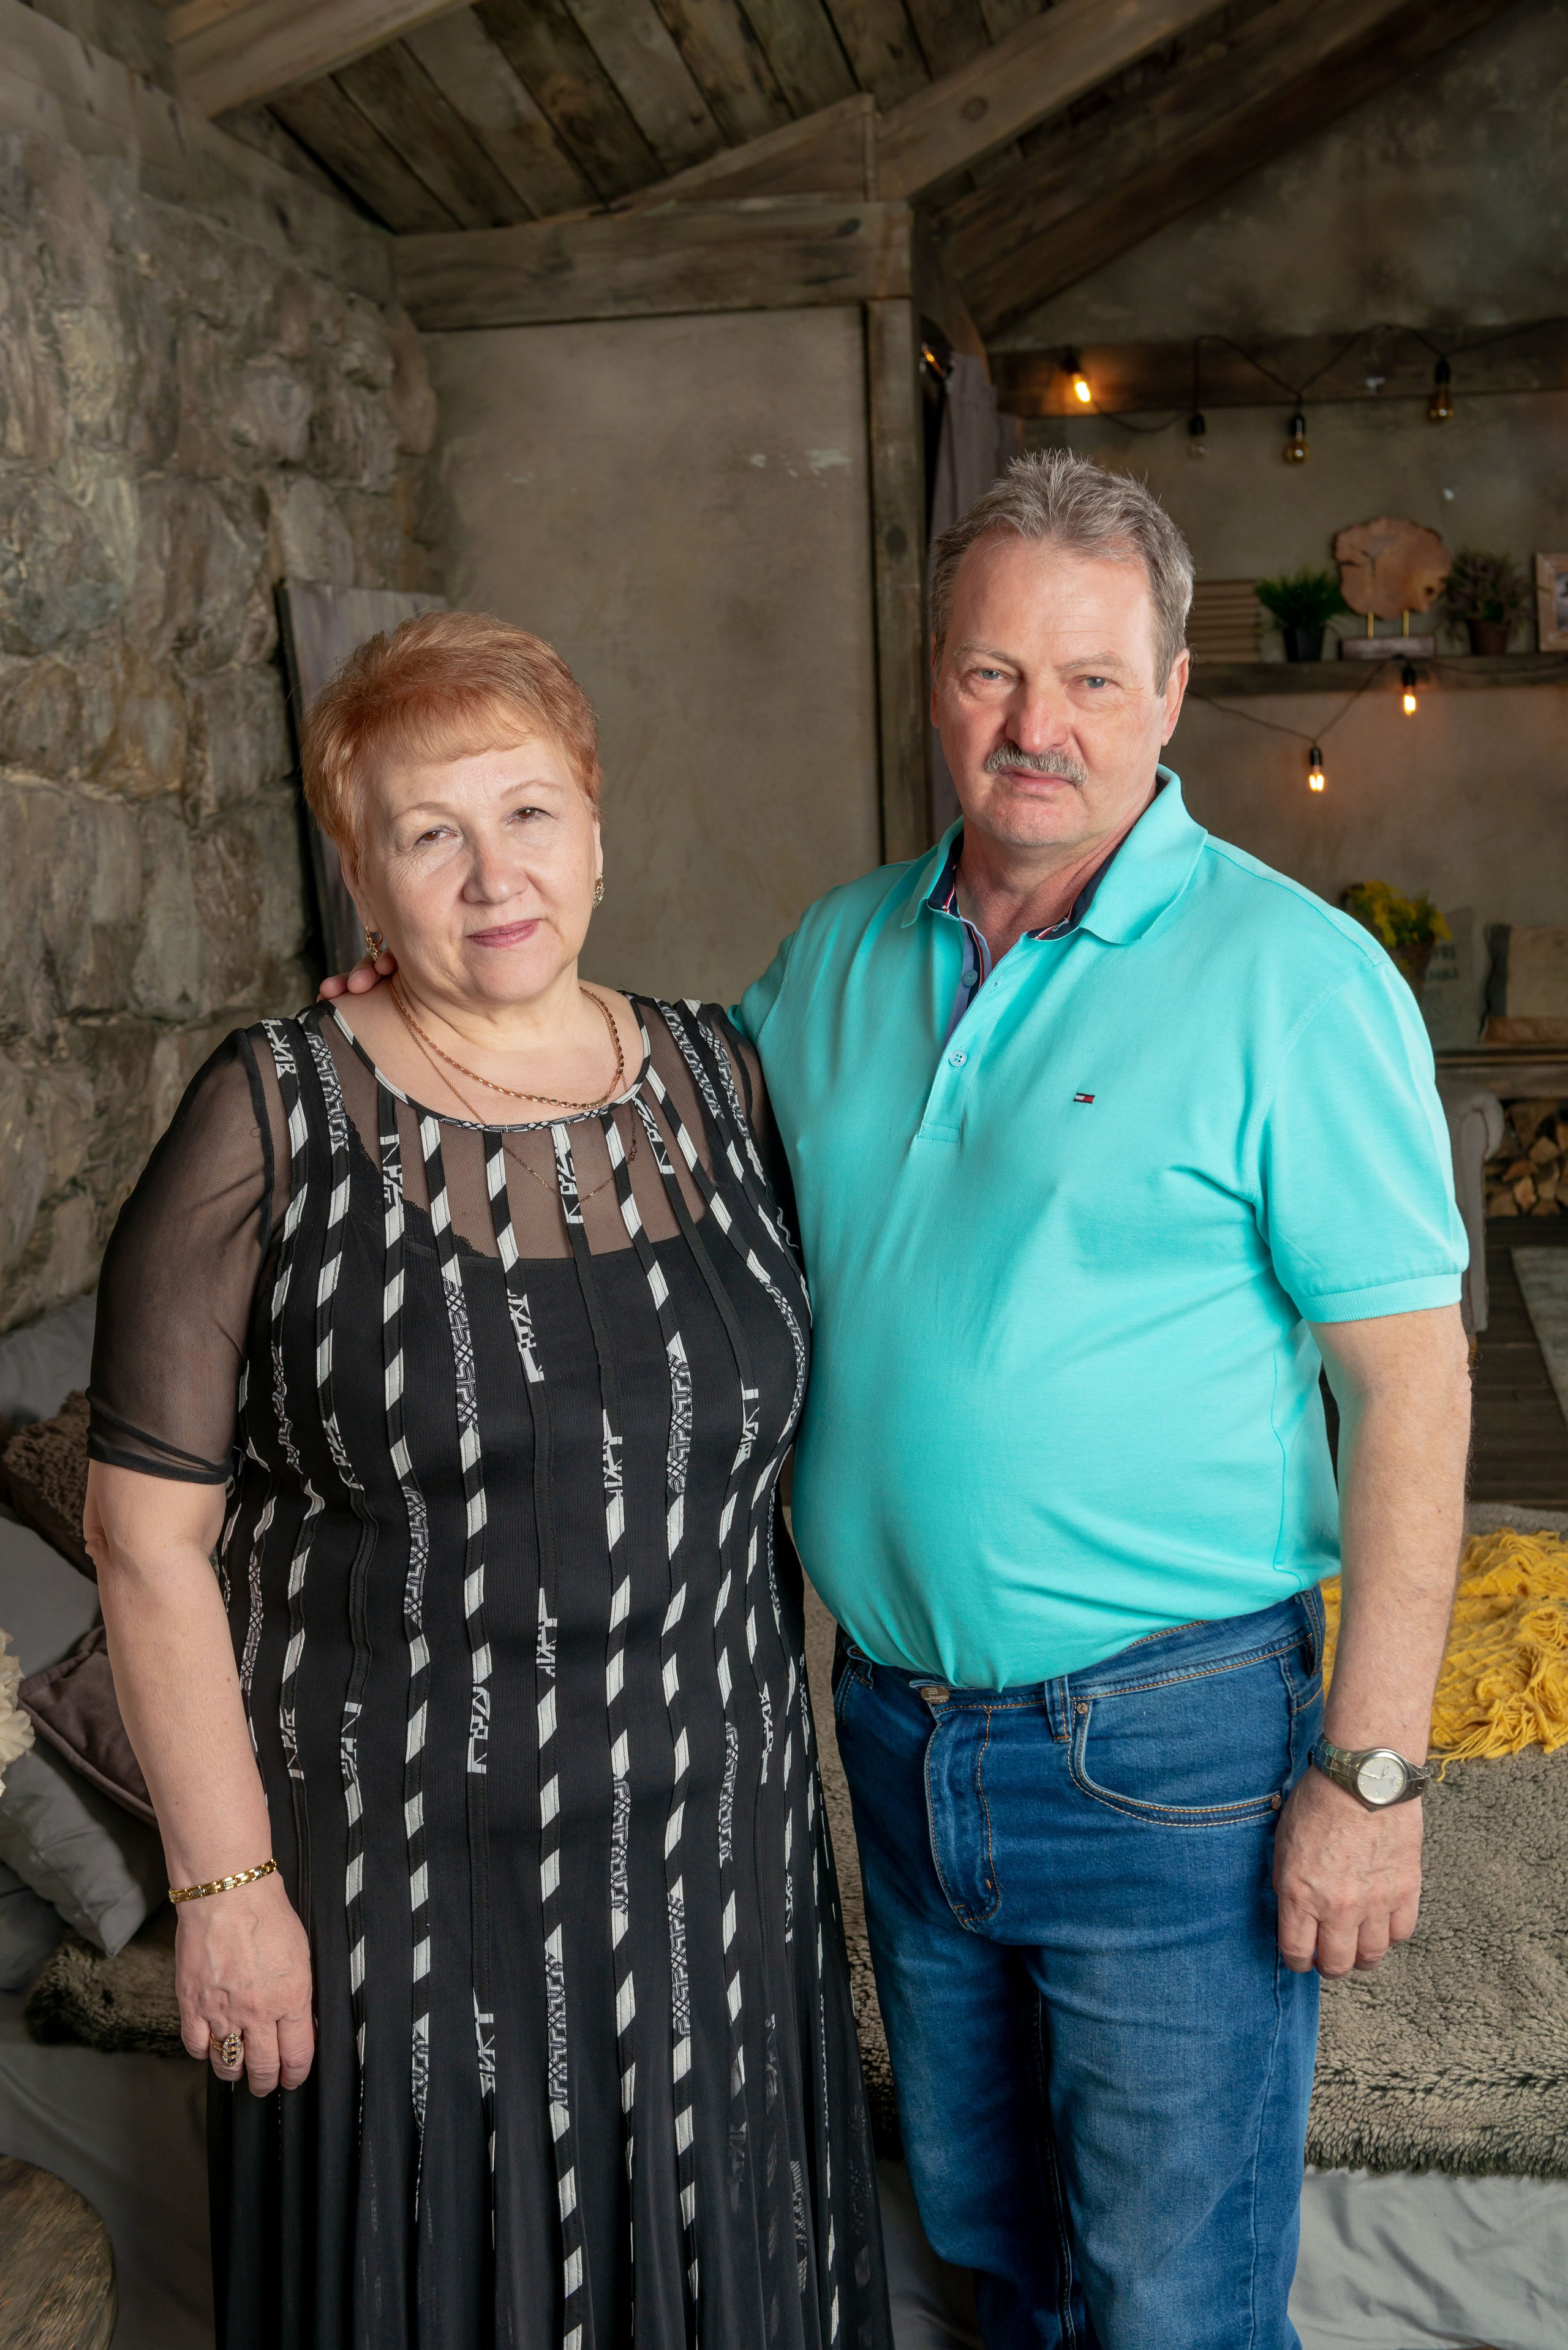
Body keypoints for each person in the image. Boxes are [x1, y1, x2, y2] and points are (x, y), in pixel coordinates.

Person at [323, 454, 1472, 2349]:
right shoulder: (841, 953)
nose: (1040, 728)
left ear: (1175, 692)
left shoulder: (1294, 977)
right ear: (936, 678)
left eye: (1096, 679)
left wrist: (1373, 1772)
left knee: (1172, 2309)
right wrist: (429, 1003)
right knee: (989, 2266)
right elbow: (619, 1110)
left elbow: (1415, 1389)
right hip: (891, 1744)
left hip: (1167, 1754)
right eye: (995, 672)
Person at [85, 611, 889, 2350]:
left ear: (598, 825)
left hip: (717, 1882)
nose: (490, 874)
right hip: (400, 1909)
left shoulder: (727, 1081)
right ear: (358, 885)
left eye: (527, 814)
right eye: (424, 834)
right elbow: (143, 1544)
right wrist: (226, 1899)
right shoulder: (273, 1111)